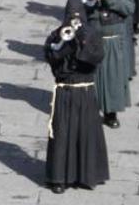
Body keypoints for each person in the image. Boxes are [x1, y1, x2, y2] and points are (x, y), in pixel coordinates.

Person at [43, 14, 108, 194]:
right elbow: (51, 58)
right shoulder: (57, 35)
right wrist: (64, 45)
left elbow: (96, 59)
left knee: (85, 132)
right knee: (62, 133)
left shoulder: (92, 35)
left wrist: (82, 45)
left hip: (84, 91)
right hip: (64, 91)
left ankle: (86, 175)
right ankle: (58, 178)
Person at [68, 0, 135, 129]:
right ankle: (90, 111)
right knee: (93, 79)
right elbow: (76, 9)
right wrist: (91, 0)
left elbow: (128, 9)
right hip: (94, 41)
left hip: (114, 42)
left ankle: (110, 114)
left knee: (113, 79)